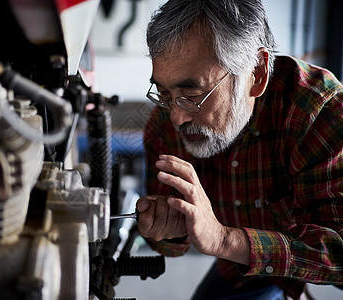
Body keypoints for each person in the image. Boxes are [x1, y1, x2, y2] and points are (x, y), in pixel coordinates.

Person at [136, 0, 343, 299]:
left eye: (192, 94)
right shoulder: (163, 123)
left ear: (256, 74)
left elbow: (337, 255)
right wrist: (168, 228)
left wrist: (222, 240)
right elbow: (167, 245)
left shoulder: (318, 112)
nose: (176, 117)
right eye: (165, 93)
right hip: (242, 264)